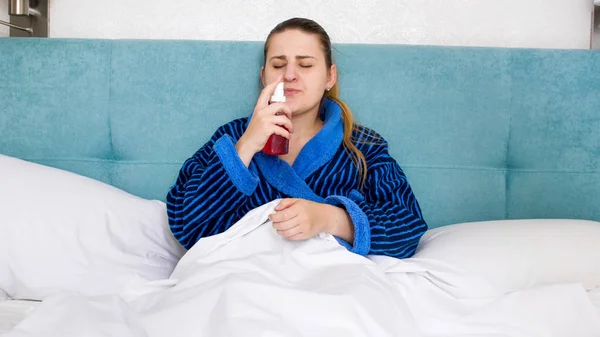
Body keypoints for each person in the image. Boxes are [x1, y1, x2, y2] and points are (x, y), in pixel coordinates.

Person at [166, 17, 427, 259]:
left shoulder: (362, 146)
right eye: (278, 65)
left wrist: (332, 219)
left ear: (329, 76)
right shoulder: (232, 137)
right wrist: (245, 148)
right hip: (243, 278)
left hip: (326, 283)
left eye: (305, 64)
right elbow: (186, 223)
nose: (289, 75)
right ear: (263, 76)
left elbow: (408, 228)